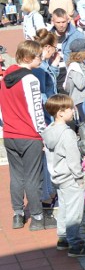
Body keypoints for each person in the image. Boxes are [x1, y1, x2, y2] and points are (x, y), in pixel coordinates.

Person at [1, 41, 51, 230]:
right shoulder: (31, 79)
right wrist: (43, 134)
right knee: (32, 177)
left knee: (16, 176)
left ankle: (17, 214)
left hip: (10, 133)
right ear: (29, 57)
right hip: (29, 135)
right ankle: (37, 218)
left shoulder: (6, 76)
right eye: (39, 56)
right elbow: (36, 110)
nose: (41, 58)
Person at [43, 94, 85, 256]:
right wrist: (80, 178)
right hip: (70, 178)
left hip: (57, 176)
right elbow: (73, 160)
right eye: (70, 108)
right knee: (74, 212)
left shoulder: (49, 130)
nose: (73, 110)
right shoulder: (67, 134)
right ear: (60, 112)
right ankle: (75, 244)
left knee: (64, 208)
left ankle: (63, 238)